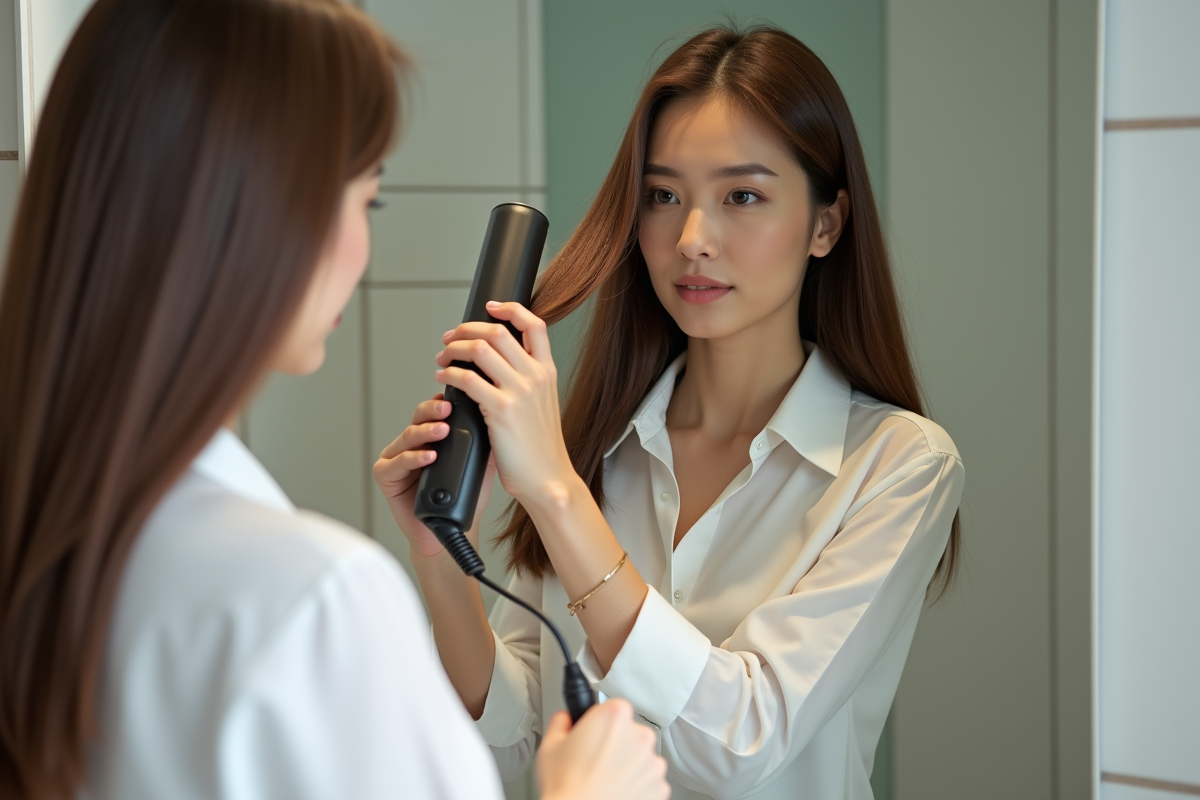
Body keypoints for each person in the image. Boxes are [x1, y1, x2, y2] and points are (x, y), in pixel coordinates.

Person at [0, 1, 668, 799]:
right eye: (366, 200)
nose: (364, 244)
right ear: (264, 211)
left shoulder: (44, 531)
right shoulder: (316, 598)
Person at [376, 25, 965, 800]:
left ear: (826, 224)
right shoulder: (597, 443)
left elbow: (746, 741)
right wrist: (437, 556)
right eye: (662, 197)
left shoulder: (900, 466)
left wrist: (557, 495)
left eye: (742, 196)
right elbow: (520, 729)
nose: (691, 239)